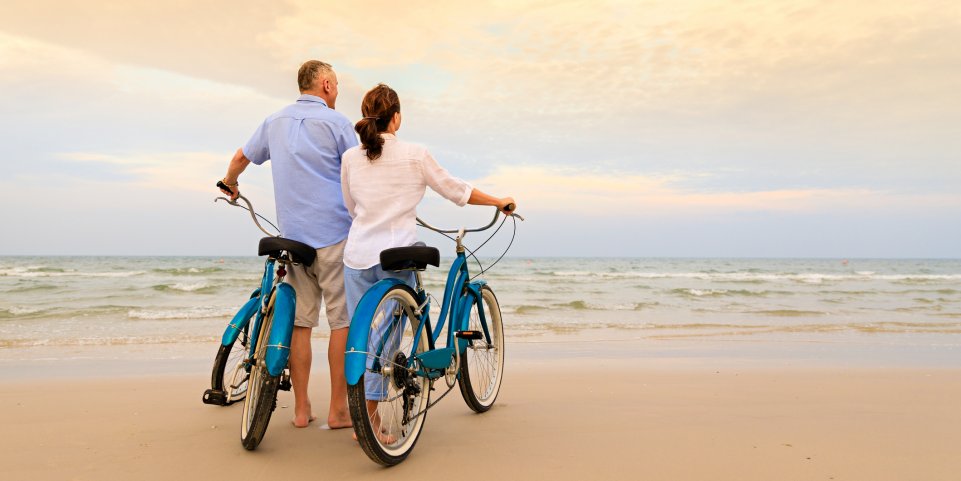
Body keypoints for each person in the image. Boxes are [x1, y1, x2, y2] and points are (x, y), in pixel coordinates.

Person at [340, 83, 515, 438]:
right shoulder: (415, 154)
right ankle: (369, 420)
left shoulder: (349, 158)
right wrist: (499, 201)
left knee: (361, 336)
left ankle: (363, 414)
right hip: (396, 256)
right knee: (386, 340)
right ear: (397, 118)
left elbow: (351, 207)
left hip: (357, 255)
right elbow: (457, 190)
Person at [219, 60, 355, 429]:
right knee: (341, 322)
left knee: (300, 323)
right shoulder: (338, 123)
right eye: (337, 84)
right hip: (335, 236)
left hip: (293, 239)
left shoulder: (274, 121)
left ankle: (300, 408)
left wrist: (231, 183)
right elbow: (359, 171)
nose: (338, 91)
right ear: (325, 84)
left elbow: (240, 158)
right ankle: (339, 411)